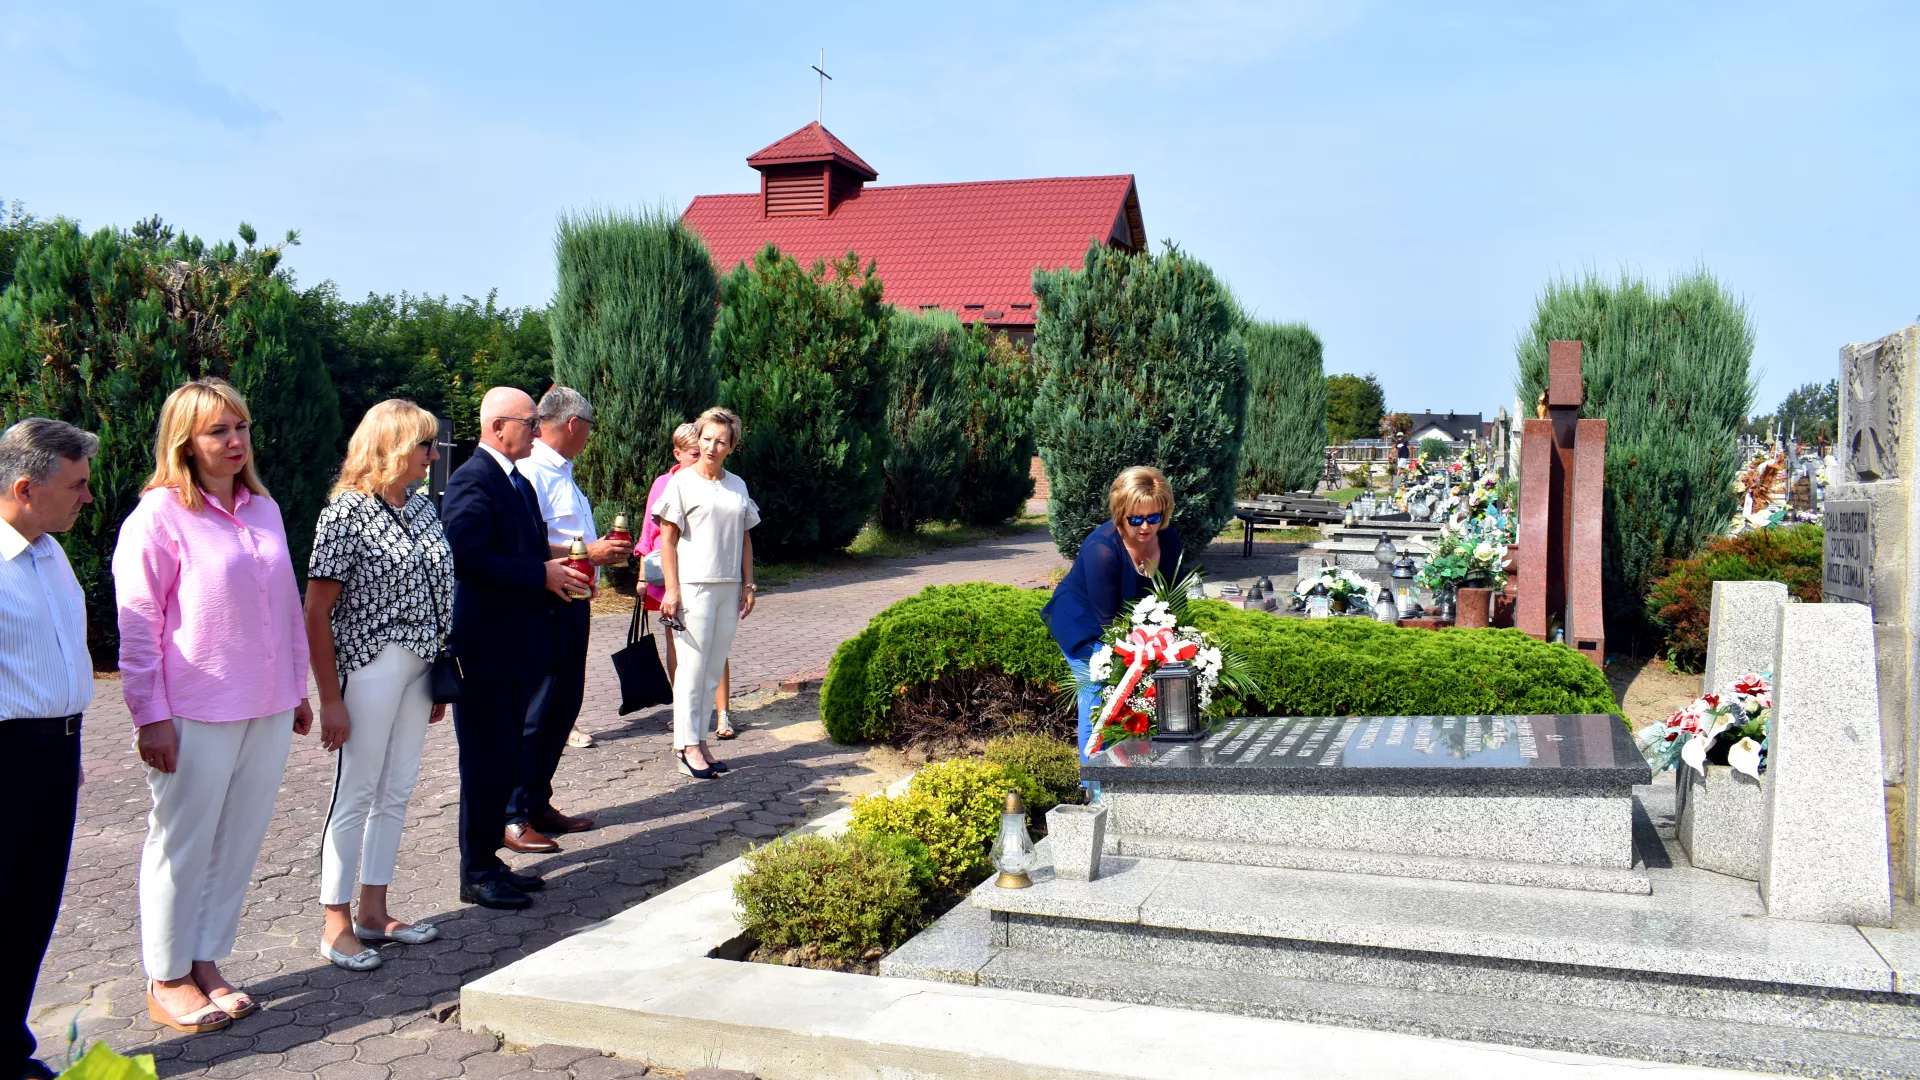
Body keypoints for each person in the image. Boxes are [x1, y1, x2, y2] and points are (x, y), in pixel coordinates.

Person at [113, 379, 315, 1034]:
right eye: (218, 431)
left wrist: (297, 688)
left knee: (239, 840)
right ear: (185, 442)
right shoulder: (158, 517)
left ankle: (205, 960)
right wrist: (149, 716)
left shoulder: (264, 509)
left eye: (241, 427)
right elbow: (138, 624)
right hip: (195, 709)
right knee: (182, 842)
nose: (235, 441)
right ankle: (167, 976)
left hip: (267, 704)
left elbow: (286, 607)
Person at [304, 401, 454, 971]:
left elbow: (439, 588)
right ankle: (335, 923)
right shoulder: (345, 513)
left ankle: (374, 910)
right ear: (392, 446)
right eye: (424, 445)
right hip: (368, 664)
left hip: (419, 666)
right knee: (356, 791)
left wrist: (438, 671)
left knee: (397, 790)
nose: (433, 455)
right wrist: (330, 698)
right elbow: (316, 611)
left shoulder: (421, 507)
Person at [442, 387, 589, 909]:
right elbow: (466, 555)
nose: (537, 429)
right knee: (484, 761)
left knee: (504, 757)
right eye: (530, 421)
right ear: (498, 426)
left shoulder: (516, 480)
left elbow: (524, 549)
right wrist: (540, 576)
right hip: (486, 649)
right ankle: (476, 870)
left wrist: (561, 570)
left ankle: (491, 861)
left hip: (516, 646)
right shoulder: (473, 479)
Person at [0, 418, 97, 1080]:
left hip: (55, 753)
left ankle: (7, 1052)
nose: (87, 496)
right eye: (77, 485)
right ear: (26, 488)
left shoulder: (49, 552)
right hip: (6, 754)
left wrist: (67, 742)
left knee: (30, 910)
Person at [504, 387, 631, 855]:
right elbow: (522, 545)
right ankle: (511, 813)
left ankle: (537, 802)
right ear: (575, 423)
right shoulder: (531, 471)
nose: (591, 435)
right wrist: (588, 552)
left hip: (575, 601)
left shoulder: (563, 473)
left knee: (563, 705)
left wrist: (599, 556)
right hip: (544, 603)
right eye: (590, 426)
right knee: (536, 710)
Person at [1040, 466, 1185, 760]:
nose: (1145, 527)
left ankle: (1129, 770)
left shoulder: (1169, 541)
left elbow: (1174, 599)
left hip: (1134, 627)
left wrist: (1170, 644)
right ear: (1121, 513)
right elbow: (1109, 623)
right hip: (1085, 623)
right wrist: (1139, 655)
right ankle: (1093, 782)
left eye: (1154, 517)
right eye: (1136, 519)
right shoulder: (1102, 549)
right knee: (1099, 701)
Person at [653, 407, 759, 780]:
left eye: (721, 441)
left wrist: (748, 584)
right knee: (691, 670)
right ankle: (685, 746)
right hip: (693, 588)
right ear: (698, 439)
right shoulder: (681, 483)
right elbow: (667, 541)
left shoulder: (737, 485)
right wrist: (671, 589)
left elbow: (745, 538)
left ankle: (699, 740)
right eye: (707, 438)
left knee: (712, 671)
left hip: (728, 587)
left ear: (732, 446)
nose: (712, 447)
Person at [639, 423, 735, 740]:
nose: (702, 455)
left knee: (715, 646)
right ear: (678, 454)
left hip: (706, 576)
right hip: (670, 575)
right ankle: (685, 716)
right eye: (694, 452)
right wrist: (643, 576)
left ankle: (722, 713)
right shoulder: (668, 483)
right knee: (678, 644)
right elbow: (651, 534)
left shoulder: (721, 483)